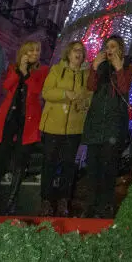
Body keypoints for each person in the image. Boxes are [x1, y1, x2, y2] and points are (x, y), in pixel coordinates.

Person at [0, 40, 49, 212]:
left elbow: (36, 90)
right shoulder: (12, 68)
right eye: (31, 51)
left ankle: (12, 201)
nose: (34, 54)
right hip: (9, 119)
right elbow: (7, 85)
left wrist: (26, 73)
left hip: (27, 121)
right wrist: (19, 71)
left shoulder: (43, 71)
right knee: (0, 158)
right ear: (23, 52)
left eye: (37, 50)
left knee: (20, 161)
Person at [82, 34, 132, 217]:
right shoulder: (101, 66)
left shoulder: (128, 64)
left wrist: (119, 68)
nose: (109, 50)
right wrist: (95, 67)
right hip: (96, 121)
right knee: (93, 166)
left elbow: (124, 88)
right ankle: (90, 205)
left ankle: (105, 206)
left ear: (120, 49)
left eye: (113, 46)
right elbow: (90, 87)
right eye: (107, 46)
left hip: (114, 123)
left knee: (108, 166)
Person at [40, 40, 91, 215]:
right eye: (75, 50)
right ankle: (46, 200)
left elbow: (89, 95)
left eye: (81, 51)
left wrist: (84, 103)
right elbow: (46, 92)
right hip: (53, 125)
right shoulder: (56, 70)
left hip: (74, 128)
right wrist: (65, 94)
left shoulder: (86, 74)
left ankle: (63, 201)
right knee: (49, 163)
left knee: (69, 165)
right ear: (68, 53)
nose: (79, 53)